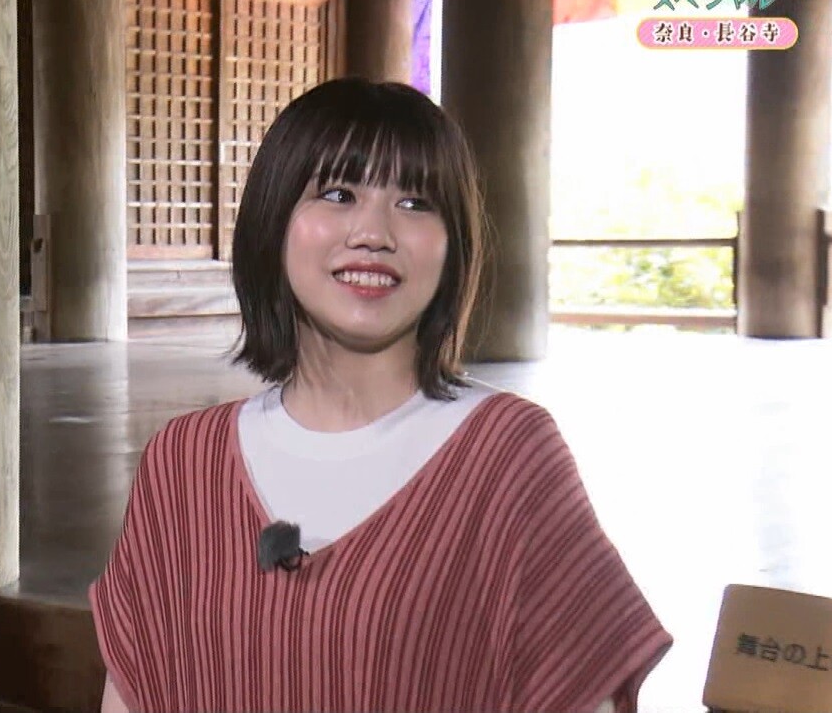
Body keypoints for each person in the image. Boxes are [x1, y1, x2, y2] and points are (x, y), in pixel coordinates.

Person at [89, 78, 671, 712]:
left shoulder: (509, 456)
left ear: (453, 246)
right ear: (272, 221)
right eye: (338, 194)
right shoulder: (183, 462)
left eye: (416, 203)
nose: (373, 232)